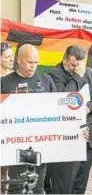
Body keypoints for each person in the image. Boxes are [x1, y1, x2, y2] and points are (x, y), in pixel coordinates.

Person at [47, 45, 92, 194]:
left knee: (80, 186)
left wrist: (89, 108)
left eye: (80, 64)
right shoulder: (54, 75)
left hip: (87, 139)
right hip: (67, 140)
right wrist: (78, 77)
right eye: (73, 64)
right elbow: (64, 101)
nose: (77, 68)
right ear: (64, 59)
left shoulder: (90, 72)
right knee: (64, 187)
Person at [1, 44, 57, 194]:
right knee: (16, 185)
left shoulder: (46, 80)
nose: (33, 66)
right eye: (29, 62)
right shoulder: (4, 82)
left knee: (38, 185)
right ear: (19, 60)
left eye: (36, 62)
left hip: (40, 141)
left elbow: (57, 110)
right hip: (16, 143)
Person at [0, 42, 14, 194]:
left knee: (7, 171)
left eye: (12, 56)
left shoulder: (16, 76)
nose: (11, 60)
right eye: (7, 57)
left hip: (12, 129)